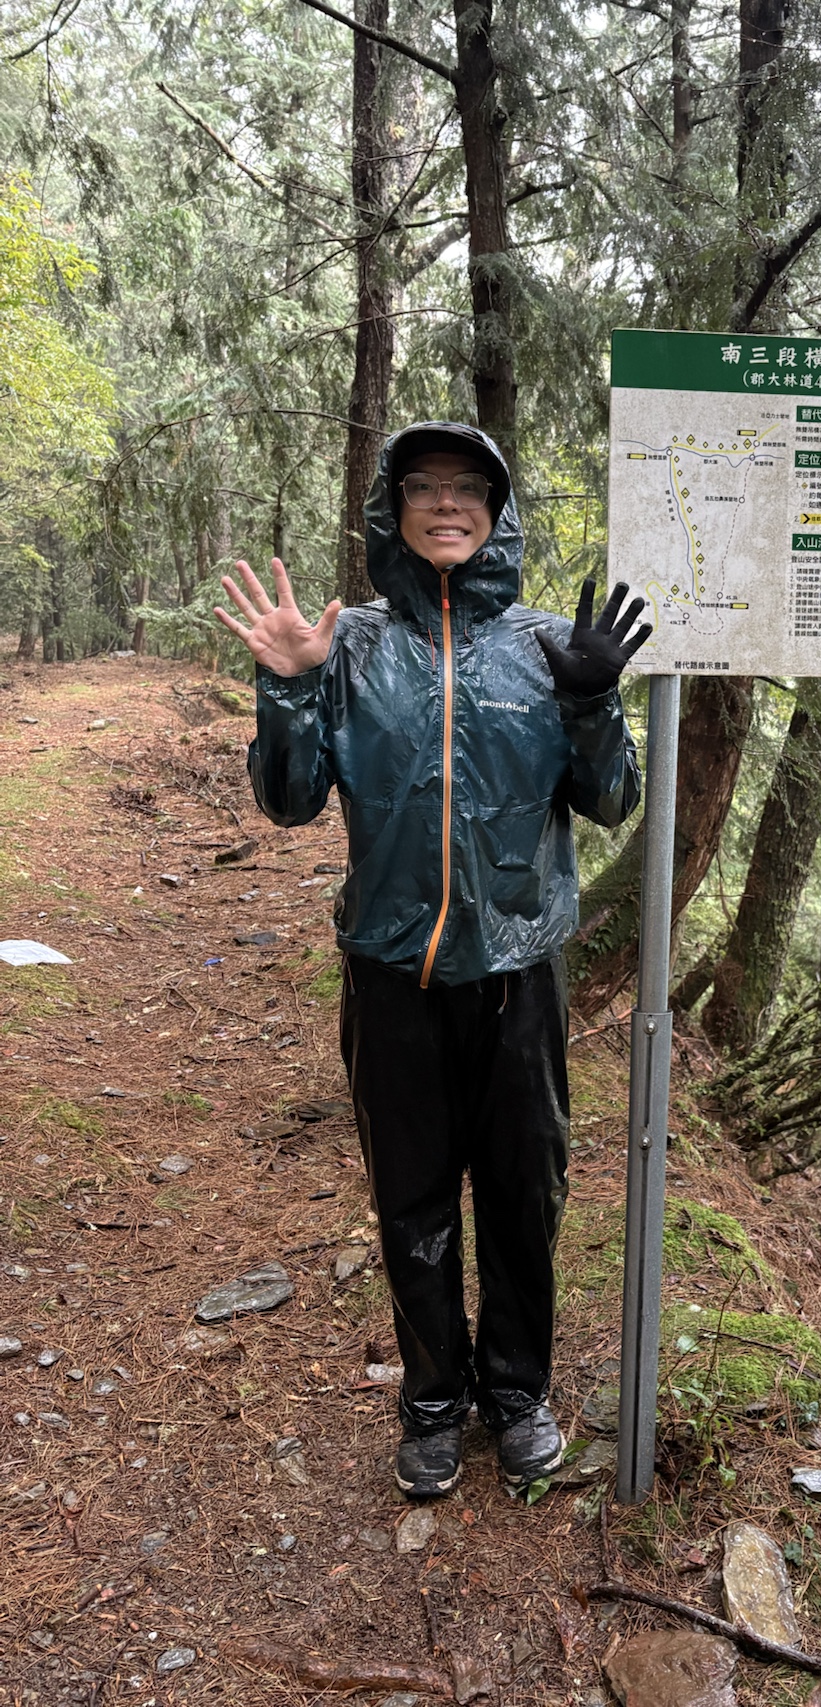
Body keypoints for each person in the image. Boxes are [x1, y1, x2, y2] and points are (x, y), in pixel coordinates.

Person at [214, 421, 649, 1497]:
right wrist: (289, 685)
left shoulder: (546, 645)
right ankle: (433, 1403)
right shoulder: (353, 646)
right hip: (390, 972)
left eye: (467, 488)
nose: (446, 503)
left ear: (497, 514)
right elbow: (288, 801)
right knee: (411, 1201)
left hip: (519, 976)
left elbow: (613, 802)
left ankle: (517, 1392)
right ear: (393, 508)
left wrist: (592, 703)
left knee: (522, 1194)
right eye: (423, 486)